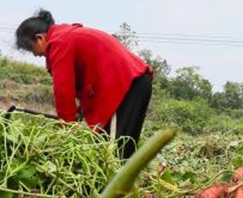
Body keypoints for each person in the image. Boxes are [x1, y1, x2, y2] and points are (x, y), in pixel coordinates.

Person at [14, 9, 153, 159]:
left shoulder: (59, 43)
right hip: (132, 83)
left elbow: (63, 92)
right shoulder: (68, 36)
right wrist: (79, 113)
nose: (36, 55)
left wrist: (66, 129)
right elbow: (88, 82)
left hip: (125, 87)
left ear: (40, 38)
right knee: (121, 150)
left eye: (31, 49)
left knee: (112, 154)